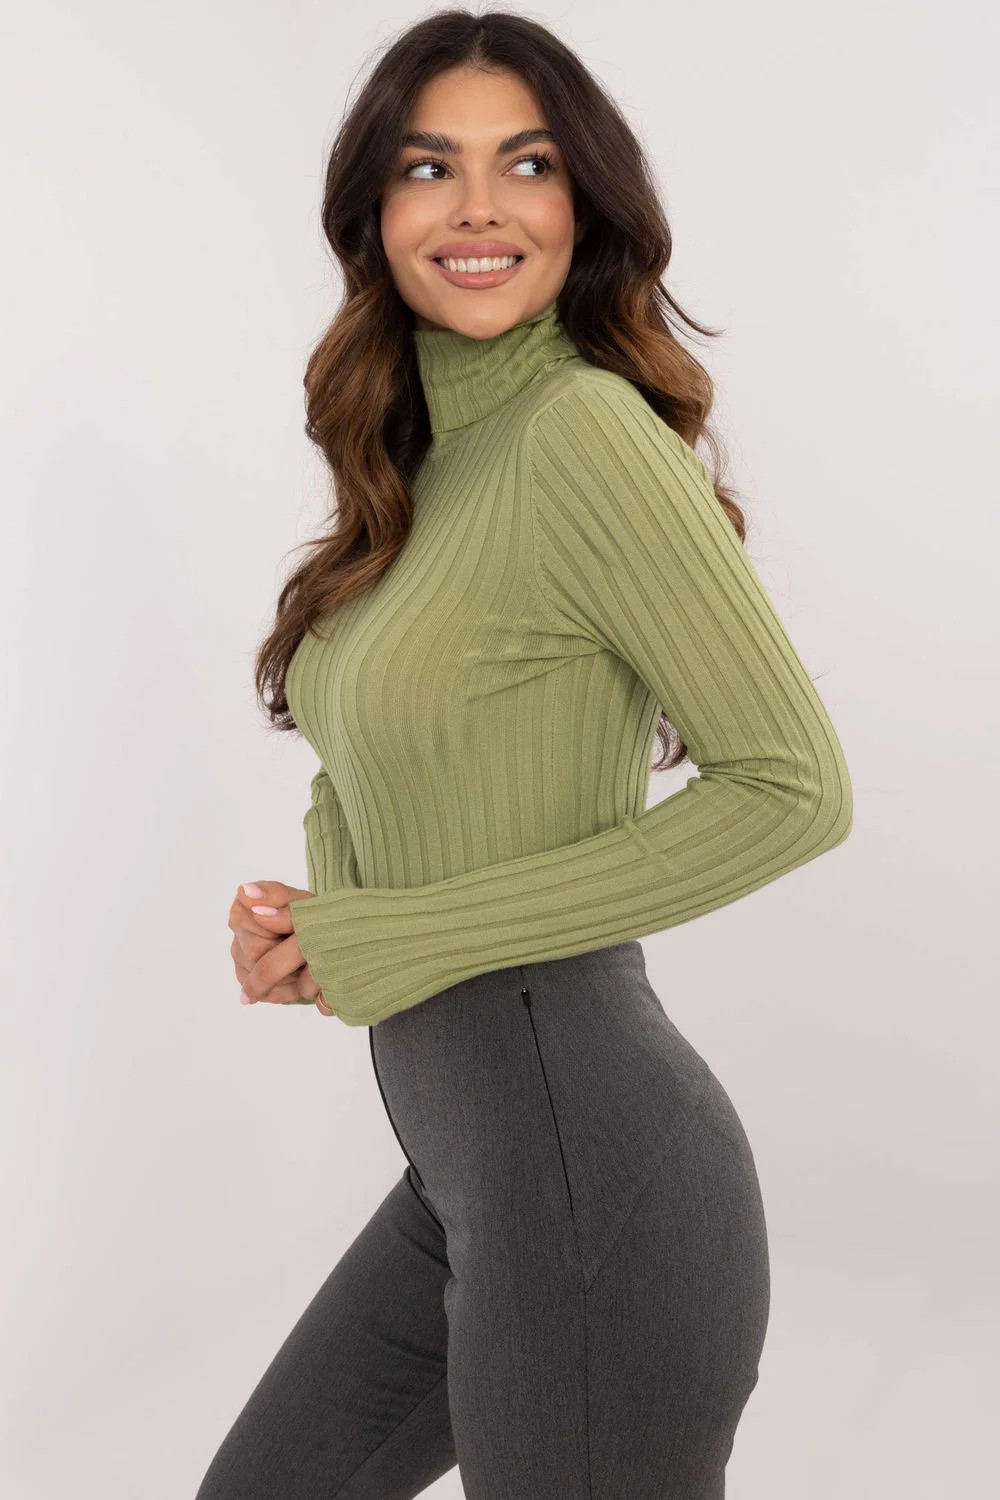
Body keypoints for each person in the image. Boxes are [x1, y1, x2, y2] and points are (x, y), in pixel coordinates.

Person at [201, 10, 852, 1498]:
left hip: (593, 1183)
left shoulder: (581, 432)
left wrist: (399, 938)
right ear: (375, 209)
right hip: (472, 1182)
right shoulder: (423, 468)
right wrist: (320, 928)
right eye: (431, 166)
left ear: (584, 204)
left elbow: (793, 789)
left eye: (530, 164)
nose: (480, 207)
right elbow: (389, 766)